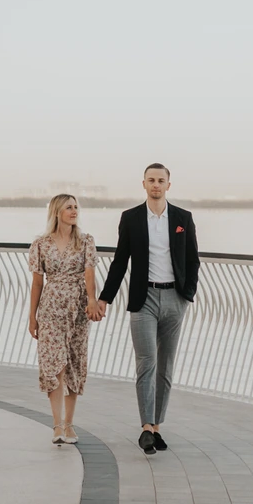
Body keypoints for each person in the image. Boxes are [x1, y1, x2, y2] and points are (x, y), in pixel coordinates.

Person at [96, 163, 199, 454]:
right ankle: (145, 428)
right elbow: (119, 262)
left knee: (166, 367)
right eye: (151, 180)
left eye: (161, 180)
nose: (156, 185)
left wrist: (187, 294)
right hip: (144, 299)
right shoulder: (131, 219)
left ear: (169, 185)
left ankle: (156, 427)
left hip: (175, 299)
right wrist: (105, 297)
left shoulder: (183, 218)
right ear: (143, 184)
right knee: (147, 363)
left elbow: (193, 260)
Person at [27, 193, 100, 445]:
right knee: (53, 365)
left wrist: (92, 300)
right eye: (69, 207)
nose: (74, 211)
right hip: (50, 309)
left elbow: (89, 273)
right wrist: (32, 317)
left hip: (77, 309)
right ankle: (57, 425)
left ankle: (69, 425)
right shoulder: (41, 244)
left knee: (73, 364)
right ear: (57, 211)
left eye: (76, 207)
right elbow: (37, 282)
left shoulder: (86, 241)